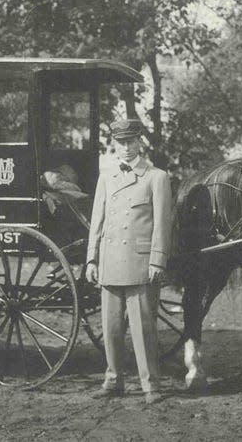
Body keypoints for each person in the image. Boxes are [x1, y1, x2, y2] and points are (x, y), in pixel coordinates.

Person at [85, 118, 173, 404]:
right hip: (110, 261)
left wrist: (158, 260)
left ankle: (151, 385)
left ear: (139, 142)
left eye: (130, 141)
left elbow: (162, 223)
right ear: (114, 143)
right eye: (120, 142)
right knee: (110, 328)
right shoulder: (106, 176)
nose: (125, 147)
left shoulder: (156, 177)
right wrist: (91, 259)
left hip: (140, 262)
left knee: (143, 328)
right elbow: (97, 220)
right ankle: (113, 379)